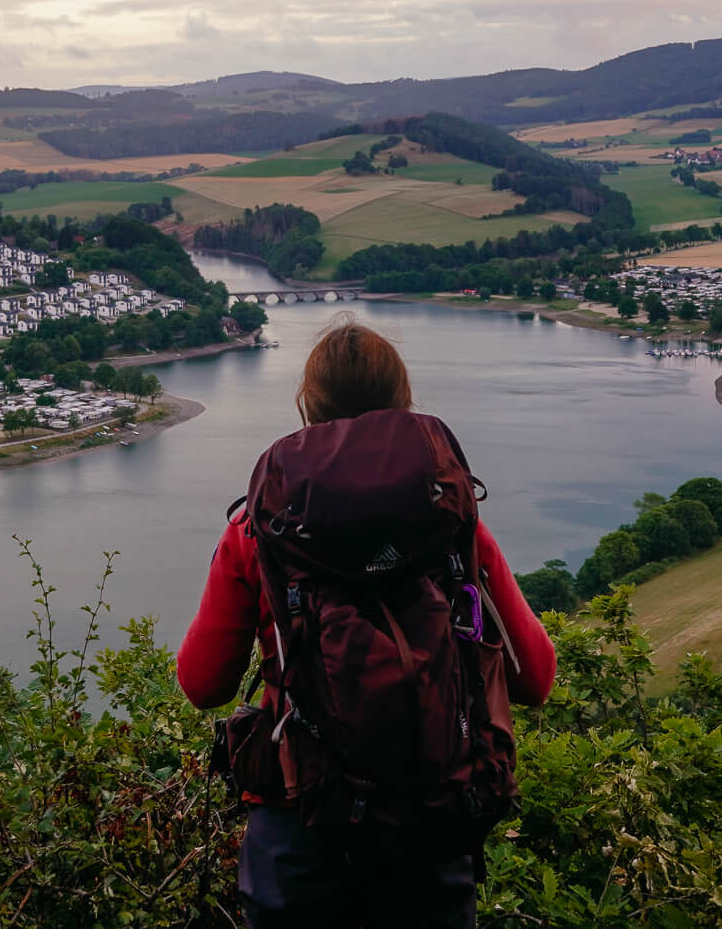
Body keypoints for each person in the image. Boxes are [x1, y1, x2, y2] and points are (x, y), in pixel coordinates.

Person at [178, 318, 557, 929]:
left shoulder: (257, 531)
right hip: (433, 818)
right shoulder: (453, 526)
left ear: (310, 405)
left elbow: (203, 684)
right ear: (401, 400)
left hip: (298, 822)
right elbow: (535, 678)